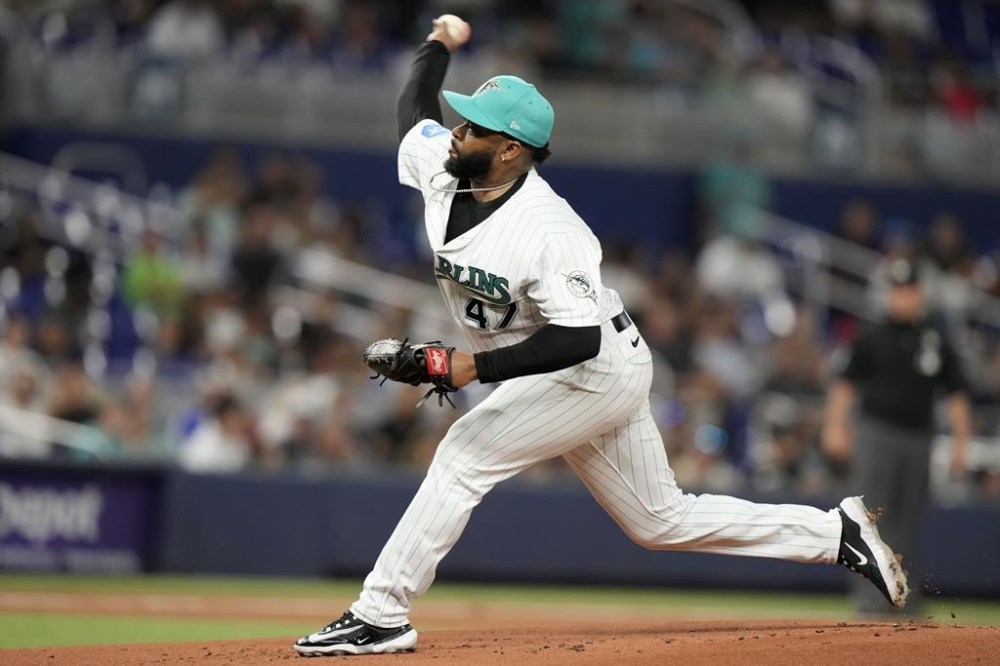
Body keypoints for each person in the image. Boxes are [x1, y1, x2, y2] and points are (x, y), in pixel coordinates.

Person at [293, 16, 909, 657]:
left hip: (593, 366)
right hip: (567, 361)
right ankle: (837, 532)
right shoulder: (445, 166)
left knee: (464, 453)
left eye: (475, 125)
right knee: (658, 519)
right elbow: (412, 107)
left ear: (510, 150)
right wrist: (439, 45)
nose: (458, 129)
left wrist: (466, 368)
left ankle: (382, 611)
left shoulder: (548, 229)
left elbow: (576, 341)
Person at [822, 256, 972, 617]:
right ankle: (868, 597)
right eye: (898, 290)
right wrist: (835, 427)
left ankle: (905, 598)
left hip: (920, 437)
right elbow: (844, 385)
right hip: (877, 433)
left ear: (920, 293)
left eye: (910, 290)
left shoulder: (935, 339)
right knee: (869, 517)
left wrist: (962, 442)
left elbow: (956, 393)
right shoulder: (872, 335)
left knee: (909, 518)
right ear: (890, 293)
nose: (904, 297)